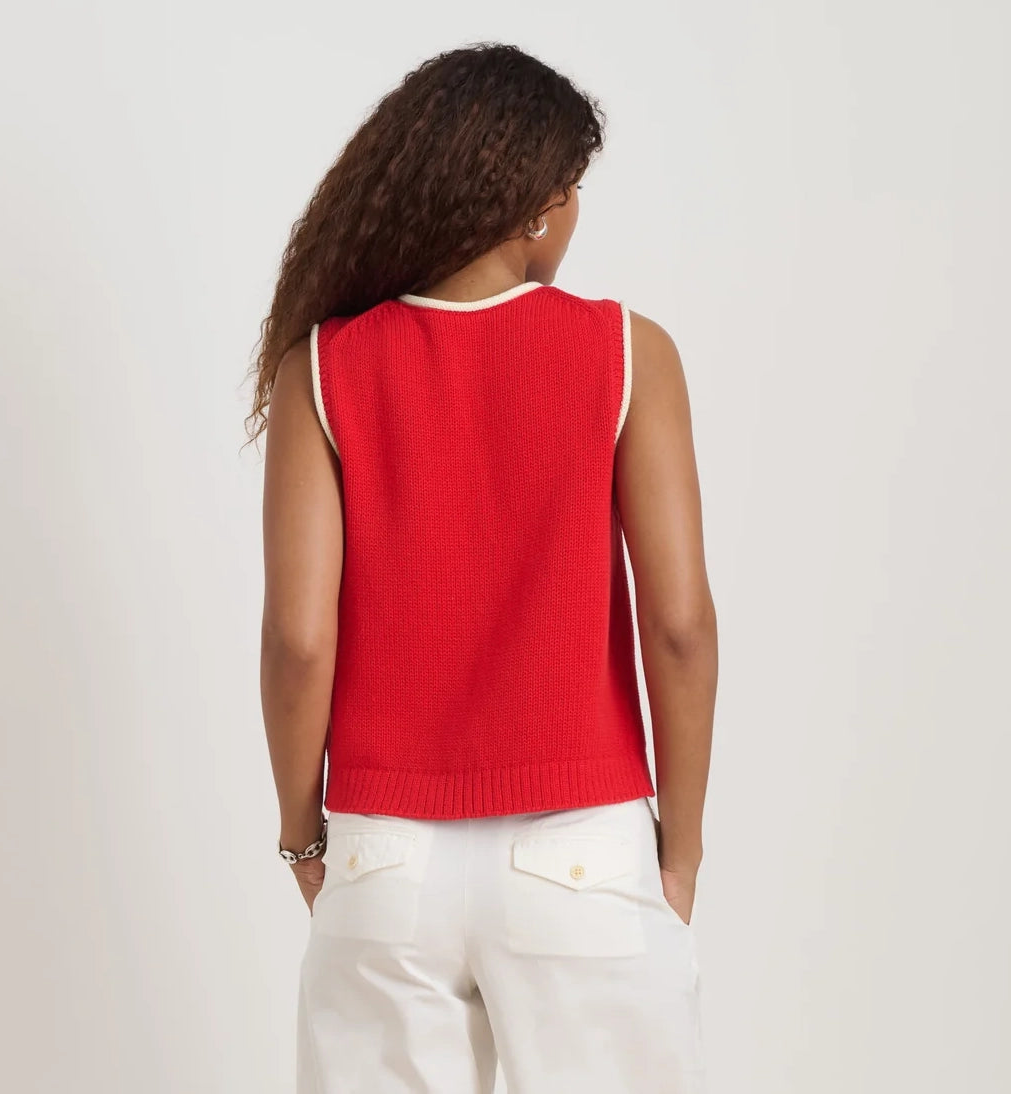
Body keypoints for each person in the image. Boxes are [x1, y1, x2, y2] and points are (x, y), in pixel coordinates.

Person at [247, 40, 718, 1094]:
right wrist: (678, 852)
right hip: (583, 851)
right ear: (534, 207)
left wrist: (302, 837)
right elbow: (680, 625)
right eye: (573, 189)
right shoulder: (627, 352)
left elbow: (298, 641)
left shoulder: (321, 366)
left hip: (384, 862)